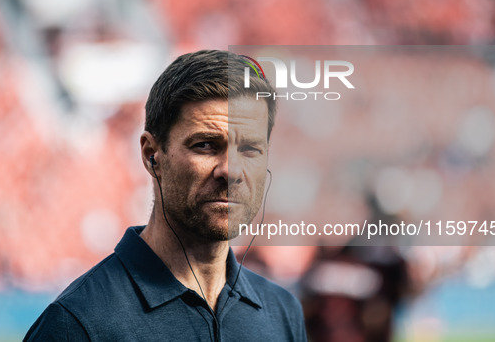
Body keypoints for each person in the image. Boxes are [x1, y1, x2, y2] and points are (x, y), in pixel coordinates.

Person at [24, 50, 307, 341]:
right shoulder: (77, 324)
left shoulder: (282, 313)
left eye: (250, 149)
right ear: (151, 155)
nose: (231, 171)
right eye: (206, 145)